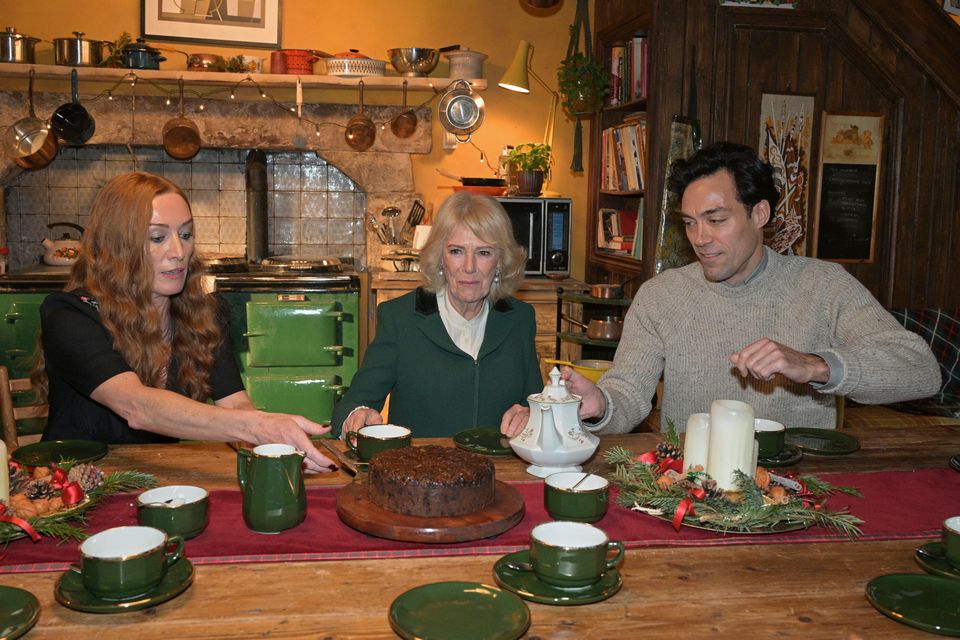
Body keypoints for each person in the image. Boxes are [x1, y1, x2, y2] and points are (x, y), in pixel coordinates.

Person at [503, 141, 940, 436]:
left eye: (716, 220)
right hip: (685, 487)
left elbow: (920, 369)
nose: (700, 238)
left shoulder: (823, 285)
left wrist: (814, 366)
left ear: (760, 213)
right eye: (690, 223)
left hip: (801, 490)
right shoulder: (661, 296)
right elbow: (629, 396)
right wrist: (601, 405)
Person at [36, 172, 337, 473]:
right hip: (72, 490)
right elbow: (137, 407)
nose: (178, 253)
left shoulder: (203, 315)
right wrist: (257, 427)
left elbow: (234, 405)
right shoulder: (70, 315)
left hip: (156, 479)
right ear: (117, 245)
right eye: (157, 238)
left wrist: (276, 448)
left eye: (185, 235)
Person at [332, 191, 543, 438]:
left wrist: (532, 416)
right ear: (440, 257)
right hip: (421, 472)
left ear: (500, 261)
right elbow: (351, 405)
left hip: (499, 472)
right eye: (456, 251)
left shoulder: (519, 319)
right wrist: (357, 416)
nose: (469, 267)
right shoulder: (400, 318)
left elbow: (537, 404)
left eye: (484, 253)